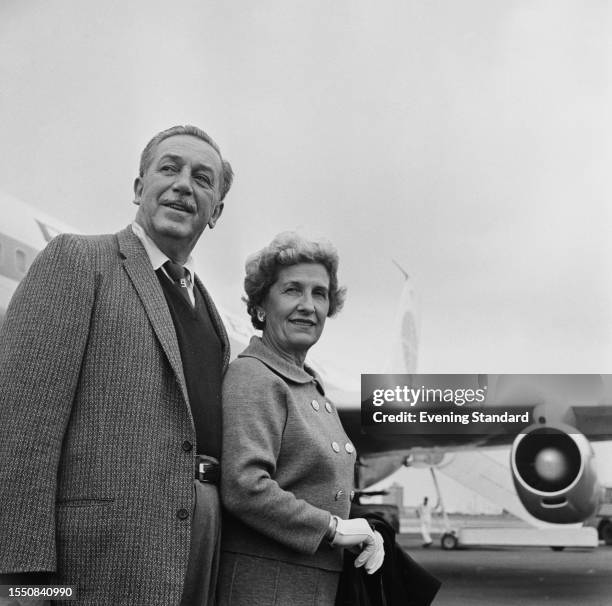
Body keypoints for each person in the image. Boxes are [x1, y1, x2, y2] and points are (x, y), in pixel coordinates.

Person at [0, 125, 233, 605]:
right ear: (137, 187)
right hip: (95, 567)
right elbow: (20, 430)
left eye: (202, 178)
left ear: (217, 212)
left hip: (194, 555)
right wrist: (21, 583)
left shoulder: (209, 311)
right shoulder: (79, 260)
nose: (184, 184)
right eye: (168, 168)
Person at [218, 232, 385, 606]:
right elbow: (244, 485)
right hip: (266, 589)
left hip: (307, 586)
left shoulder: (308, 384)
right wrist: (334, 528)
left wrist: (361, 529)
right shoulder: (255, 377)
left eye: (319, 294)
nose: (308, 306)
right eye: (293, 290)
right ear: (261, 305)